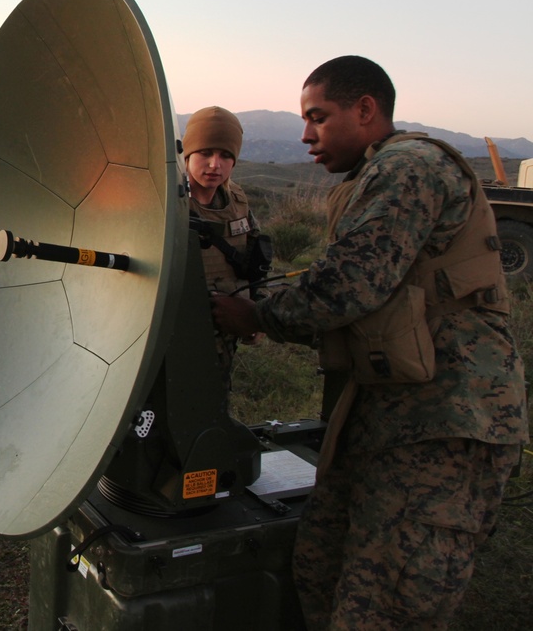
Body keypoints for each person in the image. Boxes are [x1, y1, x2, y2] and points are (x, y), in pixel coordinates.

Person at [211, 55, 529, 630]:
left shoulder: (407, 167)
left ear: (365, 109)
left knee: (386, 603)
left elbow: (346, 287)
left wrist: (253, 314)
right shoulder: (374, 175)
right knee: (321, 565)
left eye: (318, 118)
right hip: (392, 413)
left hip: (448, 421)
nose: (306, 136)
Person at [182, 106, 270, 379]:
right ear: (188, 153)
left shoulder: (238, 203)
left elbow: (255, 263)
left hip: (223, 338)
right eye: (205, 153)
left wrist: (257, 315)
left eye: (225, 156)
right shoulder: (167, 204)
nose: (214, 165)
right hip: (176, 334)